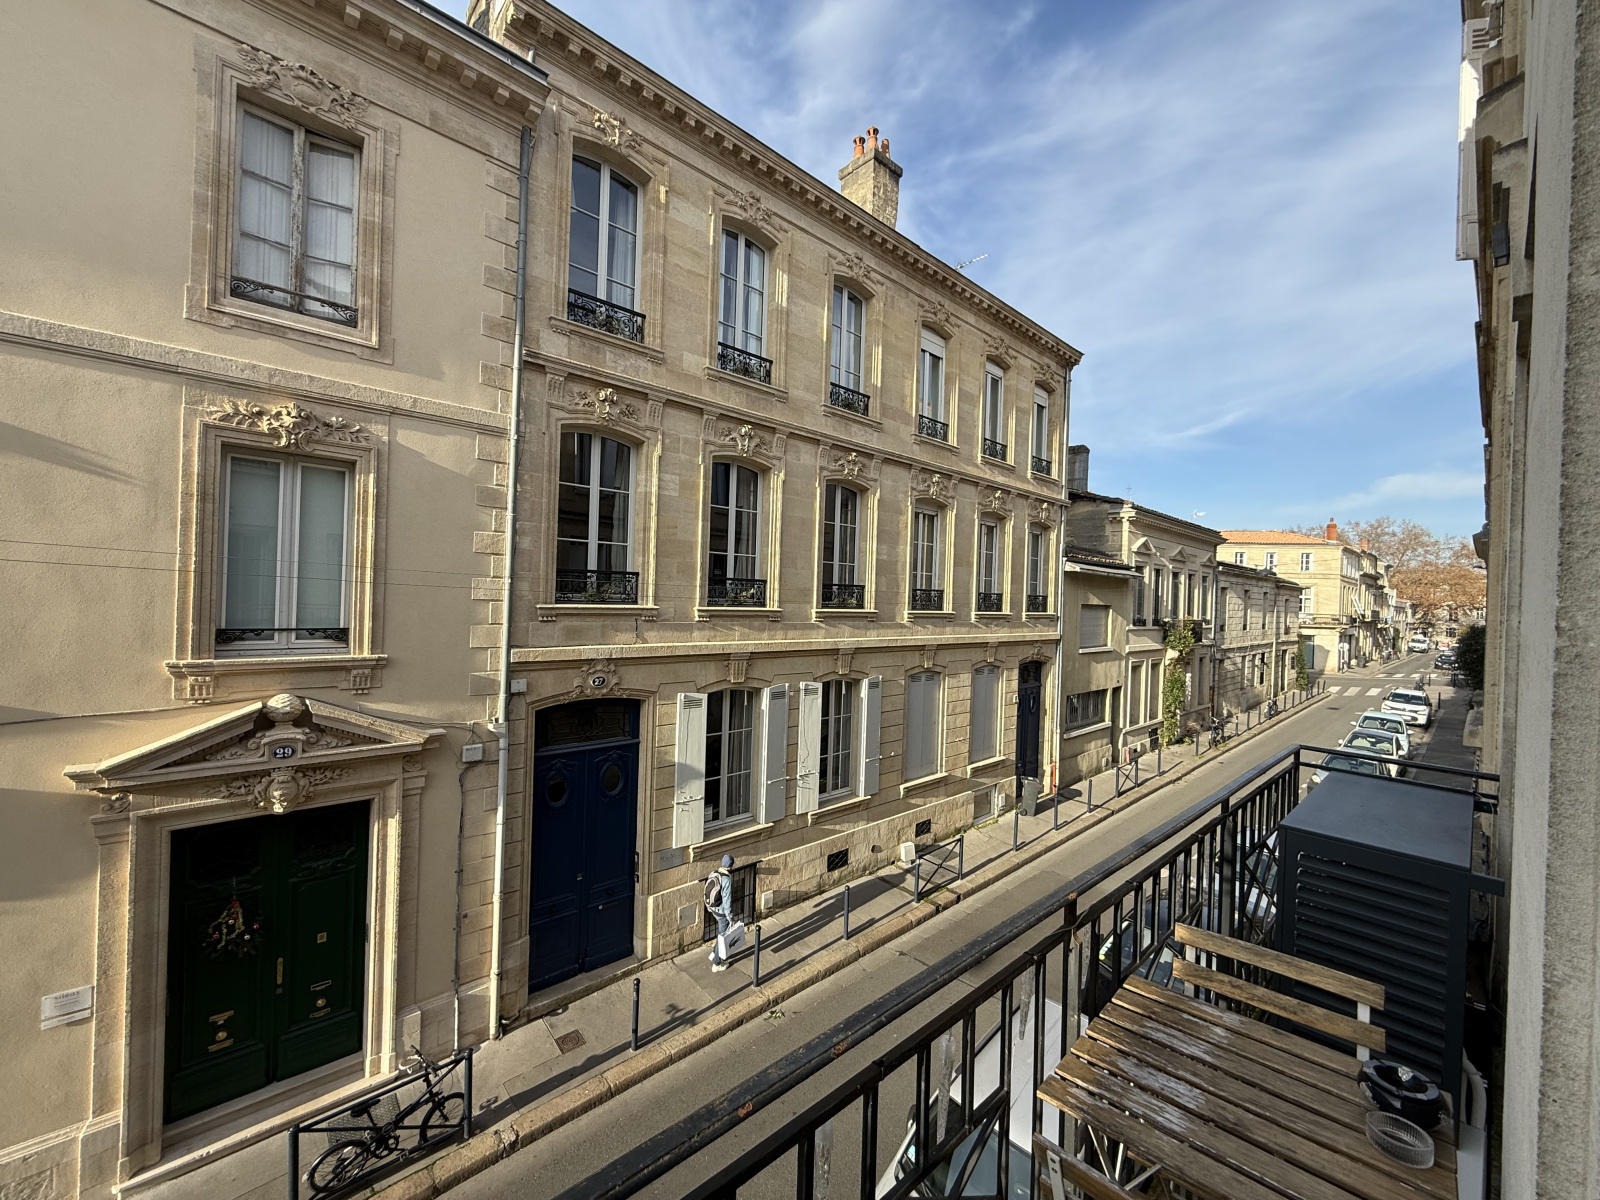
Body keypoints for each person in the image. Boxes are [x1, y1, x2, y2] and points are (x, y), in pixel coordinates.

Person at [705, 854, 735, 973]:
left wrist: (708, 906)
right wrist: (730, 918)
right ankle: (716, 963)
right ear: (731, 866)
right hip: (722, 912)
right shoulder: (726, 879)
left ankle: (714, 953)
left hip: (713, 908)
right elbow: (727, 901)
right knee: (722, 936)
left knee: (721, 934)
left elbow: (707, 890)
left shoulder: (713, 873)